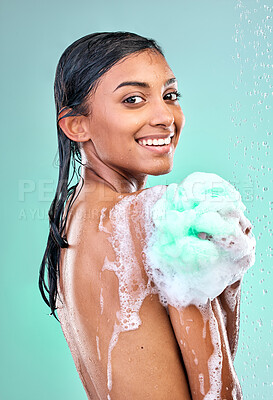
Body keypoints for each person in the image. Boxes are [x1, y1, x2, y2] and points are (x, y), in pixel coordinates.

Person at [39, 31, 254, 399]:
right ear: (77, 125)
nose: (164, 117)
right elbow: (216, 390)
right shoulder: (158, 217)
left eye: (170, 96)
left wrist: (225, 279)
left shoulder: (71, 218)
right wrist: (229, 275)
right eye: (133, 99)